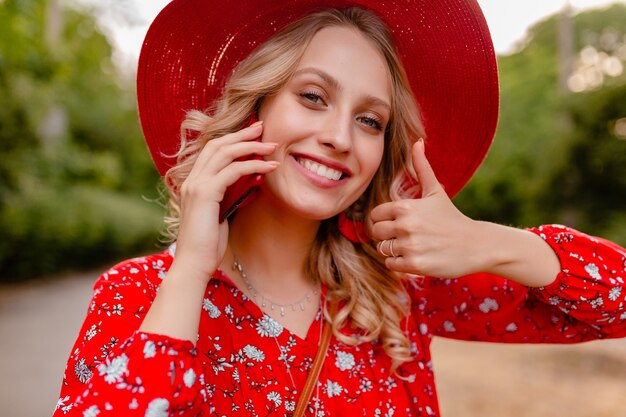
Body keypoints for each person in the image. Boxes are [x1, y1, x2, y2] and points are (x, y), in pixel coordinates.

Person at [53, 1, 626, 416]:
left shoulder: (397, 292)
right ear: (254, 110)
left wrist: (492, 243)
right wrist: (192, 269)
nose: (340, 137)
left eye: (370, 120)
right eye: (312, 96)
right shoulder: (136, 295)